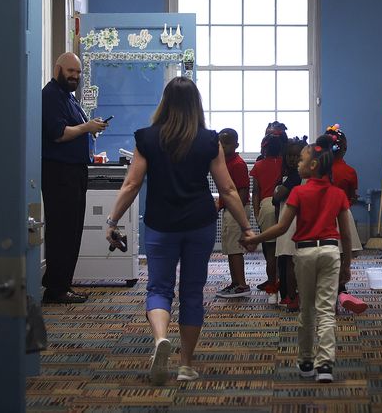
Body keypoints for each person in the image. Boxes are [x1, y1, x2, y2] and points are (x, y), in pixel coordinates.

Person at [104, 77, 251, 385]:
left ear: (165, 102)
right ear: (195, 104)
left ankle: (160, 340)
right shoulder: (209, 140)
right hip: (199, 224)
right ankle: (185, 364)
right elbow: (227, 188)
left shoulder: (147, 137)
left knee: (159, 288)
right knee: (192, 293)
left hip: (161, 224)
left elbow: (131, 184)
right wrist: (246, 227)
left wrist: (112, 221)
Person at [241, 134, 352, 383]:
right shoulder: (337, 194)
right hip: (331, 253)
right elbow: (346, 234)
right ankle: (325, 365)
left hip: (305, 253)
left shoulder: (298, 193)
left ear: (313, 166)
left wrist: (254, 240)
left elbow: (281, 228)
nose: (297, 164)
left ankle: (305, 361)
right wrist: (347, 266)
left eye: (302, 160)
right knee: (325, 310)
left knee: (307, 310)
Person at [41, 52, 107, 304]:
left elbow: (74, 129)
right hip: (59, 173)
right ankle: (57, 288)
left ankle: (62, 283)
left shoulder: (68, 98)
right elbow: (58, 134)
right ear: (58, 69)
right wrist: (87, 127)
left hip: (74, 171)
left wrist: (90, 127)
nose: (75, 76)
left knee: (72, 230)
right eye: (71, 71)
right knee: (63, 231)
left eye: (78, 73)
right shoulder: (50, 97)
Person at [326, 124, 367, 314]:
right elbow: (351, 197)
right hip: (342, 214)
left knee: (325, 256)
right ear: (345, 149)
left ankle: (329, 295)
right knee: (342, 253)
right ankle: (341, 290)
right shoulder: (350, 172)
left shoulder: (317, 169)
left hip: (322, 217)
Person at [250, 123, 287, 301]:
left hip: (265, 206)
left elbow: (255, 192)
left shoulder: (258, 165)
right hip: (284, 206)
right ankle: (286, 285)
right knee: (286, 250)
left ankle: (272, 286)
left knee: (270, 251)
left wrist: (256, 212)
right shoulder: (286, 165)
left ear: (264, 150)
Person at [215, 128, 253, 298]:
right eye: (221, 143)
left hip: (236, 211)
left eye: (227, 143)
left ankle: (242, 285)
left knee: (236, 249)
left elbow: (243, 192)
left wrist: (237, 213)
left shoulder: (237, 164)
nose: (223, 146)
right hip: (229, 210)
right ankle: (235, 282)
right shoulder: (224, 162)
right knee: (230, 249)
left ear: (236, 144)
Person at [272, 136, 308, 310]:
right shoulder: (300, 174)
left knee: (290, 261)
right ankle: (293, 294)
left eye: (296, 156)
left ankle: (291, 296)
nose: (293, 159)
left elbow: (277, 198)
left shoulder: (294, 176)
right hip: (294, 221)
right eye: (290, 156)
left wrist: (276, 192)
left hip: (291, 223)